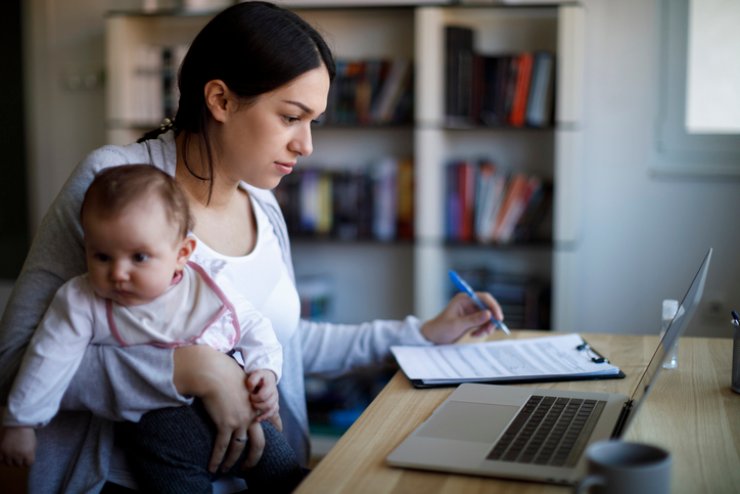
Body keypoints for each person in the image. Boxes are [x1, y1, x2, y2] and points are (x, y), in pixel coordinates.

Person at [0, 1, 504, 492]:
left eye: (314, 122)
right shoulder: (115, 185)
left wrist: (421, 334)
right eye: (291, 117)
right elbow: (16, 363)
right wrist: (189, 371)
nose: (306, 145)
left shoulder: (261, 201)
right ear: (219, 100)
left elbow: (286, 340)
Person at [0, 164, 305, 493]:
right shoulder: (82, 300)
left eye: (139, 257)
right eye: (101, 256)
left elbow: (254, 326)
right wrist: (21, 422)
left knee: (284, 472)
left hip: (237, 410)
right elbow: (48, 359)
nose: (118, 273)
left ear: (182, 254)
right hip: (156, 432)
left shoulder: (207, 282)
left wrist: (266, 371)